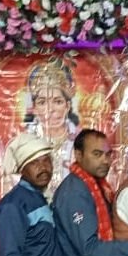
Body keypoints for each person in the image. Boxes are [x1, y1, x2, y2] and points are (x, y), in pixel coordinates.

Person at [23, 59, 80, 189]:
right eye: (42, 102)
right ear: (34, 108)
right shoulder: (23, 144)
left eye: (58, 101)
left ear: (68, 106)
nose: (50, 109)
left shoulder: (81, 141)